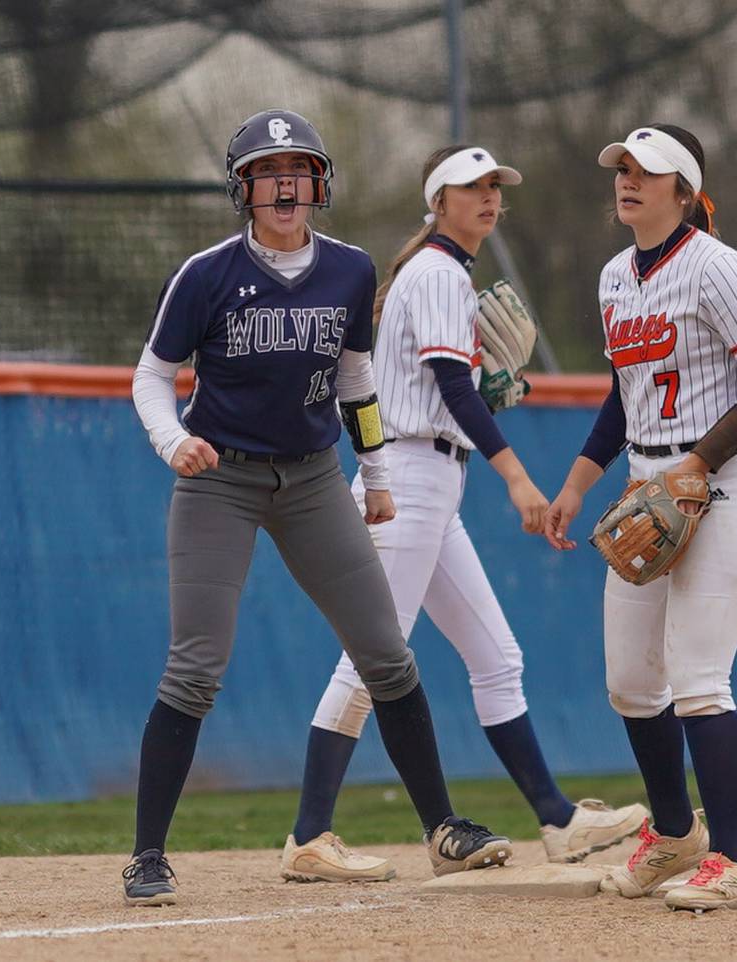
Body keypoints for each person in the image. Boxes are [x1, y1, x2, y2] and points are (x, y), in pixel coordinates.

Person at [123, 110, 513, 906]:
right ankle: (147, 856)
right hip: (219, 479)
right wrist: (172, 443)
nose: (286, 184)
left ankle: (442, 827)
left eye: (298, 169)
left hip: (309, 478)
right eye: (268, 171)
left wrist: (373, 474)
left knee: (386, 655)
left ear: (319, 184)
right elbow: (151, 377)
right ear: (243, 188)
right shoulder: (204, 274)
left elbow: (355, 381)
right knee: (196, 668)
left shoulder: (349, 270)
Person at [279, 144, 647, 884]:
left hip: (431, 490)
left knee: (496, 657)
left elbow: (448, 379)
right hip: (408, 485)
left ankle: (559, 819)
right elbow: (451, 381)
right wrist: (516, 477)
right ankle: (309, 836)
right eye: (468, 187)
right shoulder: (440, 272)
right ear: (437, 201)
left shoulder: (438, 273)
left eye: (492, 187)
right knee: (369, 663)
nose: (486, 197)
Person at [541, 124, 737, 912]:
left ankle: (729, 861)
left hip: (726, 487)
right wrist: (579, 484)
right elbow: (626, 398)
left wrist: (697, 463)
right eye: (622, 168)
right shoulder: (616, 276)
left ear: (683, 192)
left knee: (697, 680)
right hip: (647, 487)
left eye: (646, 172)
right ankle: (674, 833)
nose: (628, 180)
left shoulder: (718, 268)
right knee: (630, 682)